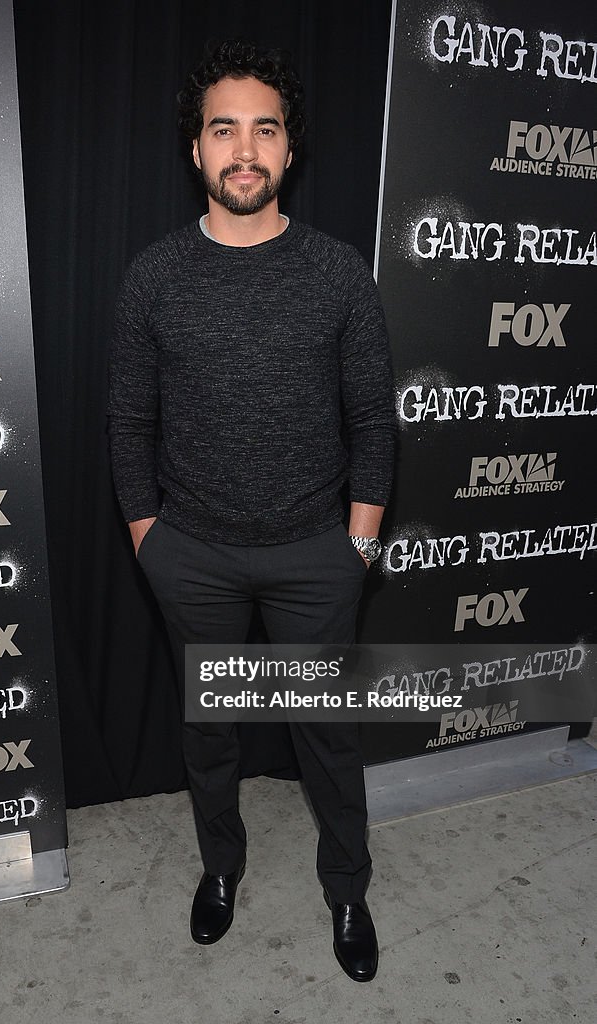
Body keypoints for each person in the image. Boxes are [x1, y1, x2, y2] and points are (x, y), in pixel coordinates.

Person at [108, 39, 395, 983]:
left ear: (287, 149)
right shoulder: (152, 276)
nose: (243, 148)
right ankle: (220, 870)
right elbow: (129, 421)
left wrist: (357, 543)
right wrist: (150, 539)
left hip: (317, 552)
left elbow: (370, 418)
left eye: (262, 128)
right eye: (221, 128)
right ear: (195, 150)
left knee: (327, 734)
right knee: (210, 731)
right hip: (191, 554)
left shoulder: (339, 272)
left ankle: (346, 888)